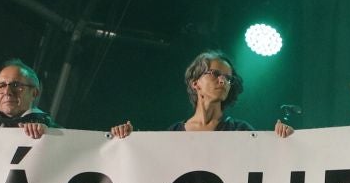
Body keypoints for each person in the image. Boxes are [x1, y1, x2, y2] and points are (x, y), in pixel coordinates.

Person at [109, 51, 295, 137]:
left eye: (228, 78)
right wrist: (125, 140)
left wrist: (282, 140)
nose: (223, 81)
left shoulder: (241, 131)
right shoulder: (172, 134)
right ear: (195, 83)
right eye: (215, 74)